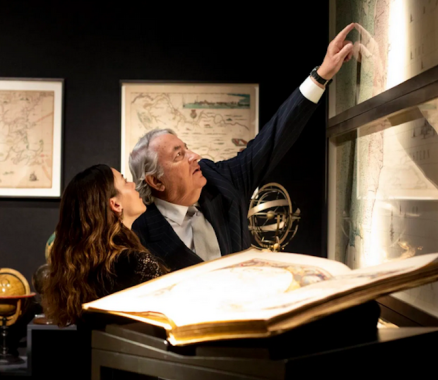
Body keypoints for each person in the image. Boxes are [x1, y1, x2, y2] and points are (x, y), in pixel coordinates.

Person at [129, 24, 357, 271]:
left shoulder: (219, 181)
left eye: (187, 148)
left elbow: (273, 138)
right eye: (179, 156)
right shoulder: (137, 236)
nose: (195, 156)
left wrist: (321, 76)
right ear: (156, 181)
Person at [42, 164, 165, 380]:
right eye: (125, 181)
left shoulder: (84, 267)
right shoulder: (136, 263)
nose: (134, 184)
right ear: (115, 204)